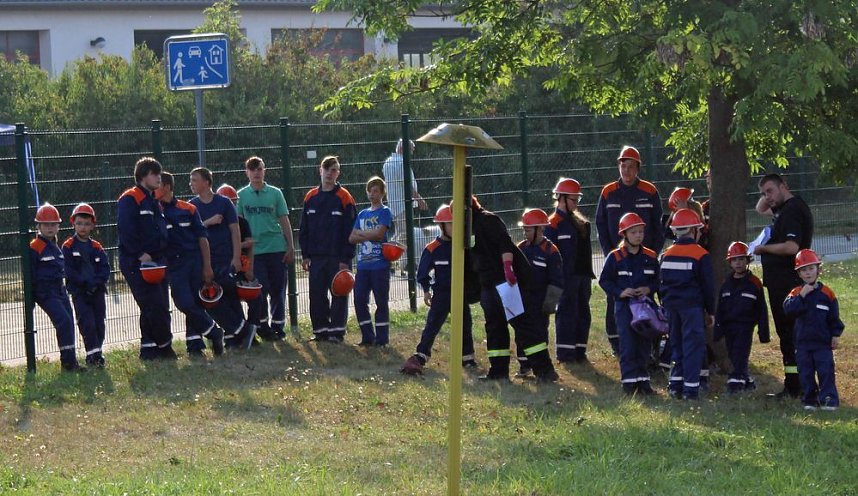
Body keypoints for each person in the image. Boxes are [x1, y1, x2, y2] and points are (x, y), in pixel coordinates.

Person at [466, 196, 559, 383]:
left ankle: (545, 371)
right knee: (494, 327)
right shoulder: (466, 228)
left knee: (523, 326)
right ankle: (498, 371)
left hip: (505, 282)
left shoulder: (488, 220)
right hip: (487, 284)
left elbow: (505, 244)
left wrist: (508, 267)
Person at [596, 145, 664, 355]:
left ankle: (651, 341)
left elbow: (658, 225)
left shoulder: (650, 191)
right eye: (623, 166)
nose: (626, 171)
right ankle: (617, 343)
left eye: (631, 167)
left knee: (646, 296)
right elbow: (600, 225)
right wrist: (611, 254)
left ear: (638, 168)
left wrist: (651, 254)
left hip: (645, 258)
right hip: (617, 257)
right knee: (616, 298)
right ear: (619, 166)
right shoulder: (608, 192)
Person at [753, 173, 813, 398]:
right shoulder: (781, 208)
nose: (766, 197)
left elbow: (791, 247)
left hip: (788, 283)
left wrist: (763, 249)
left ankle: (797, 386)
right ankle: (793, 384)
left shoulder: (791, 210)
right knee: (786, 335)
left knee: (790, 335)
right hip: (779, 283)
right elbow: (760, 208)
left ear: (784, 186)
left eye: (770, 191)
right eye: (763, 192)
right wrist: (768, 196)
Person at [400, 204, 478, 375]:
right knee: (433, 325)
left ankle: (468, 358)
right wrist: (427, 290)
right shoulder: (433, 248)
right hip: (441, 294)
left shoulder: (463, 246)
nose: (456, 227)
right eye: (451, 224)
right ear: (442, 226)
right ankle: (421, 355)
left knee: (465, 324)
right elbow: (422, 272)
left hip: (460, 293)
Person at [158, 172, 224, 358]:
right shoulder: (156, 212)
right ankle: (214, 332)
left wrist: (207, 266)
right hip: (174, 264)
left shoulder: (188, 209)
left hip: (194, 261)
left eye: (158, 185)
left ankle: (194, 345)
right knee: (183, 302)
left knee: (196, 302)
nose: (154, 189)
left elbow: (202, 238)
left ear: (167, 187)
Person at [190, 168, 257, 350]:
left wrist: (236, 257)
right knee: (211, 298)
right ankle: (242, 331)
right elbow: (191, 233)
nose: (191, 184)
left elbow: (235, 231)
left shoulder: (224, 203)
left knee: (227, 295)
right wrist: (207, 222)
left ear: (206, 182)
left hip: (226, 259)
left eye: (195, 180)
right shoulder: (192, 206)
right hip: (206, 262)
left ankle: (236, 336)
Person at [117, 157, 174, 360]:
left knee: (155, 305)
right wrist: (140, 254)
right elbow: (126, 230)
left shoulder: (153, 201)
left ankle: (149, 349)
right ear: (143, 176)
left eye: (159, 173)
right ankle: (166, 347)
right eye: (154, 173)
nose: (159, 177)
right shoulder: (130, 198)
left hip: (156, 261)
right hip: (137, 262)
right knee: (154, 305)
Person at [599, 213, 661, 395]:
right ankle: (629, 383)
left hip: (645, 307)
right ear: (624, 234)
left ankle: (643, 382)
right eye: (634, 232)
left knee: (643, 344)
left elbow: (658, 280)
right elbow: (605, 281)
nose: (638, 235)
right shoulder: (615, 257)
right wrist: (620, 292)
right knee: (627, 345)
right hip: (625, 308)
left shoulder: (650, 256)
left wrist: (649, 289)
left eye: (641, 232)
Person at [237, 156, 296, 341]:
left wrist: (291, 246)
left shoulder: (275, 193)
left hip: (276, 247)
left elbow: (284, 220)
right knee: (260, 290)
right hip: (255, 252)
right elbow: (237, 225)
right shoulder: (241, 195)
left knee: (278, 290)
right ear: (247, 172)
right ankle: (261, 326)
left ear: (265, 171)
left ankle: (278, 327)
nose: (256, 173)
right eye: (252, 169)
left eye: (259, 169)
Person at [299, 155, 357, 343]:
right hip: (316, 257)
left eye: (334, 170)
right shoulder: (310, 197)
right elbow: (304, 228)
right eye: (327, 169)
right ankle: (321, 331)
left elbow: (351, 230)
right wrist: (305, 255)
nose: (330, 173)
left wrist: (345, 258)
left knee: (339, 293)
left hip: (338, 257)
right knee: (316, 294)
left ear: (338, 173)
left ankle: (337, 332)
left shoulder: (345, 197)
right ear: (320, 170)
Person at [660, 208, 715, 400]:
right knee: (693, 347)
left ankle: (675, 385)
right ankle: (691, 389)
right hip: (692, 308)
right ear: (694, 230)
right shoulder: (701, 254)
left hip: (671, 307)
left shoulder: (666, 254)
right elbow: (708, 287)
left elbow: (662, 284)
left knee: (677, 345)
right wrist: (711, 311)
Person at [783, 249, 844, 411]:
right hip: (802, 344)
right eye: (804, 270)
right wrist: (801, 296)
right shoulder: (795, 293)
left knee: (826, 372)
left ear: (819, 269)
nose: (808, 272)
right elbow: (788, 310)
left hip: (822, 344)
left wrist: (835, 335)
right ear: (799, 274)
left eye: (811, 268)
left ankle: (829, 399)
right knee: (806, 373)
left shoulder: (827, 294)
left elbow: (834, 318)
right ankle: (809, 400)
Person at [29, 203, 85, 372]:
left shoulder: (55, 246)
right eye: (46, 224)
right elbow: (30, 274)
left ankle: (70, 362)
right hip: (46, 292)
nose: (50, 228)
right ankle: (68, 363)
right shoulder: (34, 247)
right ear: (39, 226)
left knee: (69, 322)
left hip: (59, 290)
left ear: (58, 226)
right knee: (64, 321)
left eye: (53, 224)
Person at [545, 178, 595, 363]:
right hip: (566, 278)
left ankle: (579, 351)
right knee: (567, 312)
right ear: (561, 198)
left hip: (581, 275)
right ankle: (565, 354)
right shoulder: (552, 224)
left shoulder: (579, 223)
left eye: (577, 200)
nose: (576, 204)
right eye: (573, 200)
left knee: (583, 312)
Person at [714, 242, 771, 395]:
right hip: (728, 327)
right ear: (730, 262)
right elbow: (720, 307)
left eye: (741, 259)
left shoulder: (754, 284)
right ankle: (746, 382)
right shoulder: (726, 283)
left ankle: (735, 385)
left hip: (745, 327)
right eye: (735, 260)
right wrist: (718, 330)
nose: (738, 263)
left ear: (748, 260)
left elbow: (761, 309)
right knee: (733, 354)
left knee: (740, 354)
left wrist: (763, 332)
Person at [515, 208, 563, 377]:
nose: (525, 233)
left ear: (540, 229)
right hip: (523, 300)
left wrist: (549, 304)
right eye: (525, 230)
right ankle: (524, 365)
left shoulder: (551, 251)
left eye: (528, 230)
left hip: (541, 302)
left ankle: (540, 366)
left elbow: (556, 281)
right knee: (521, 333)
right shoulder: (520, 248)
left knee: (540, 333)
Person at [62, 203, 110, 368]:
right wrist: (84, 284)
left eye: (86, 224)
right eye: (79, 223)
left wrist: (97, 283)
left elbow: (105, 269)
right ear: (73, 223)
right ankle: (92, 355)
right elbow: (68, 271)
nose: (82, 227)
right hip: (80, 293)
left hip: (97, 292)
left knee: (99, 323)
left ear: (92, 225)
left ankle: (98, 352)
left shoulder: (97, 247)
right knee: (87, 323)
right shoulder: (68, 246)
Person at [348, 176, 393, 346]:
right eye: (370, 191)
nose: (373, 194)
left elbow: (379, 234)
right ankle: (367, 336)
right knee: (359, 299)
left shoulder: (385, 212)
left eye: (376, 191)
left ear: (382, 194)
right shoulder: (362, 214)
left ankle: (382, 339)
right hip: (363, 266)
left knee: (381, 301)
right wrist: (368, 235)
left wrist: (362, 234)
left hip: (380, 265)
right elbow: (351, 238)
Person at [381, 139, 428, 243]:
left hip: (393, 203)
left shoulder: (387, 162)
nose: (411, 154)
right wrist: (420, 200)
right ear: (403, 149)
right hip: (403, 204)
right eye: (410, 150)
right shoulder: (401, 163)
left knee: (400, 233)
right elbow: (407, 185)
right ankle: (394, 254)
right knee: (405, 235)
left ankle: (393, 253)